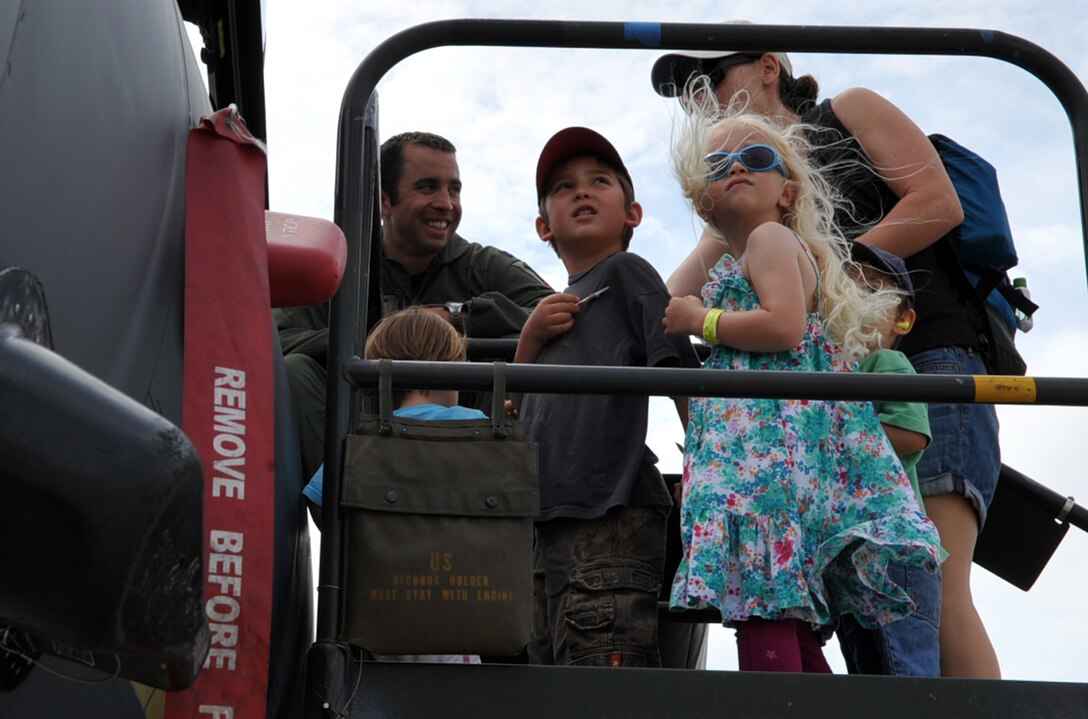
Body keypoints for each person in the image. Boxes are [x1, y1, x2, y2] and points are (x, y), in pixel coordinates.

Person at [652, 37, 1003, 679]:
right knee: (855, 603)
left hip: (925, 357)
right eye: (687, 88)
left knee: (926, 590)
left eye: (711, 72)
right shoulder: (740, 205)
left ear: (767, 68)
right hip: (828, 404)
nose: (699, 93)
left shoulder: (847, 114)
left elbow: (937, 202)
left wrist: (805, 265)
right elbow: (663, 301)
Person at [661, 110, 941, 673]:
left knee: (761, 606)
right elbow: (667, 301)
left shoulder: (769, 238)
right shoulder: (755, 249)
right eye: (719, 164)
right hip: (761, 467)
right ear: (702, 202)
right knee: (778, 613)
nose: (738, 166)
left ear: (787, 191)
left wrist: (705, 321)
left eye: (757, 158)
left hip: (762, 475)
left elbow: (783, 326)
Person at [513, 127, 700, 668]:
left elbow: (678, 368)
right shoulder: (551, 316)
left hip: (609, 514)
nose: (582, 191)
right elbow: (519, 413)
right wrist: (529, 338)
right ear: (544, 226)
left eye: (599, 181)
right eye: (565, 187)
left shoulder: (627, 273)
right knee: (544, 683)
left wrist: (707, 472)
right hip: (543, 525)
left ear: (633, 215)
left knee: (602, 674)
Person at [276, 131, 554, 481]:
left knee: (506, 358)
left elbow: (555, 313)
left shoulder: (482, 266)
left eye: (454, 189)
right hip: (365, 459)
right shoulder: (342, 268)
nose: (446, 203)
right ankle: (343, 510)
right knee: (296, 368)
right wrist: (377, 342)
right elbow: (273, 336)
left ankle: (496, 508)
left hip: (470, 464)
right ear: (385, 201)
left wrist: (461, 318)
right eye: (427, 187)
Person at [301, 306, 482, 666]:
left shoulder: (361, 440)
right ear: (448, 369)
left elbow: (319, 500)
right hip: (457, 600)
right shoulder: (472, 425)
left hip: (379, 605)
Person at [835, 242, 943, 676]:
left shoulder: (889, 361)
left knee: (905, 672)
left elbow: (911, 435)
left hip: (894, 549)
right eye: (846, 289)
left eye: (872, 290)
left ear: (903, 319)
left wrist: (834, 428)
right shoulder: (835, 372)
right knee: (869, 676)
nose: (856, 297)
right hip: (852, 552)